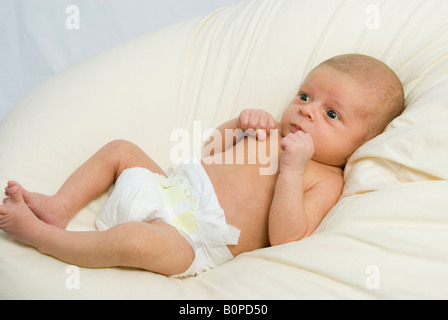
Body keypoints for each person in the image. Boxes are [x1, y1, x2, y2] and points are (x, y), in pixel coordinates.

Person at [0, 54, 404, 278]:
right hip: (168, 187)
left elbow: (288, 237)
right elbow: (210, 152)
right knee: (120, 148)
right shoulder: (271, 132)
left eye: (332, 114)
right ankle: (59, 207)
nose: (308, 112)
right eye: (304, 96)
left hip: (192, 241)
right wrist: (238, 126)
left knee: (138, 242)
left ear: (363, 143)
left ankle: (41, 237)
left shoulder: (324, 178)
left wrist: (292, 170)